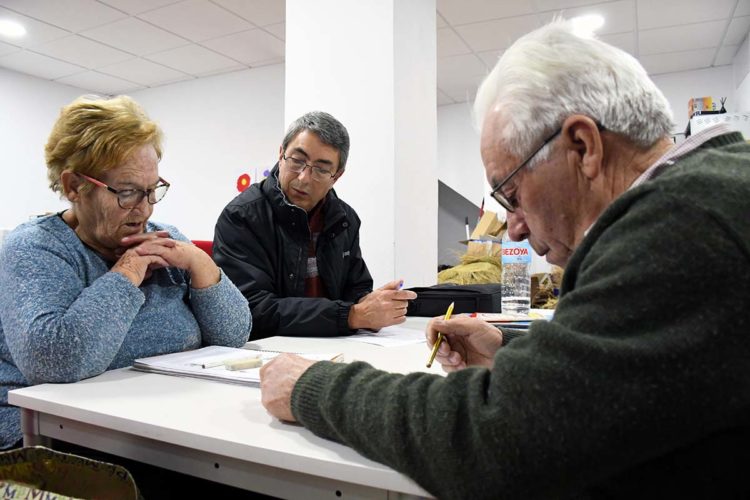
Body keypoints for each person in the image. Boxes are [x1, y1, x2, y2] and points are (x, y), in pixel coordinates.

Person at [258, 19, 750, 499]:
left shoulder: (682, 223)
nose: (512, 225)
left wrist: (314, 386)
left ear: (584, 147)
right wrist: (515, 357)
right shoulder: (710, 194)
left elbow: (504, 443)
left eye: (511, 193)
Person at [0, 95, 252, 451]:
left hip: (162, 423)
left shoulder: (166, 241)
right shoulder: (36, 248)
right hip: (54, 439)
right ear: (74, 186)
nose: (144, 208)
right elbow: (55, 360)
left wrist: (201, 263)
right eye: (129, 192)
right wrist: (129, 271)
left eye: (152, 191)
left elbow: (233, 335)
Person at [213, 111, 416, 338]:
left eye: (321, 169)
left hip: (334, 345)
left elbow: (356, 287)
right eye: (297, 161)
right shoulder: (241, 217)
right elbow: (252, 309)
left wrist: (372, 305)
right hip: (268, 350)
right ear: (281, 154)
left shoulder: (345, 219)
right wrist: (351, 315)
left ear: (336, 176)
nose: (303, 178)